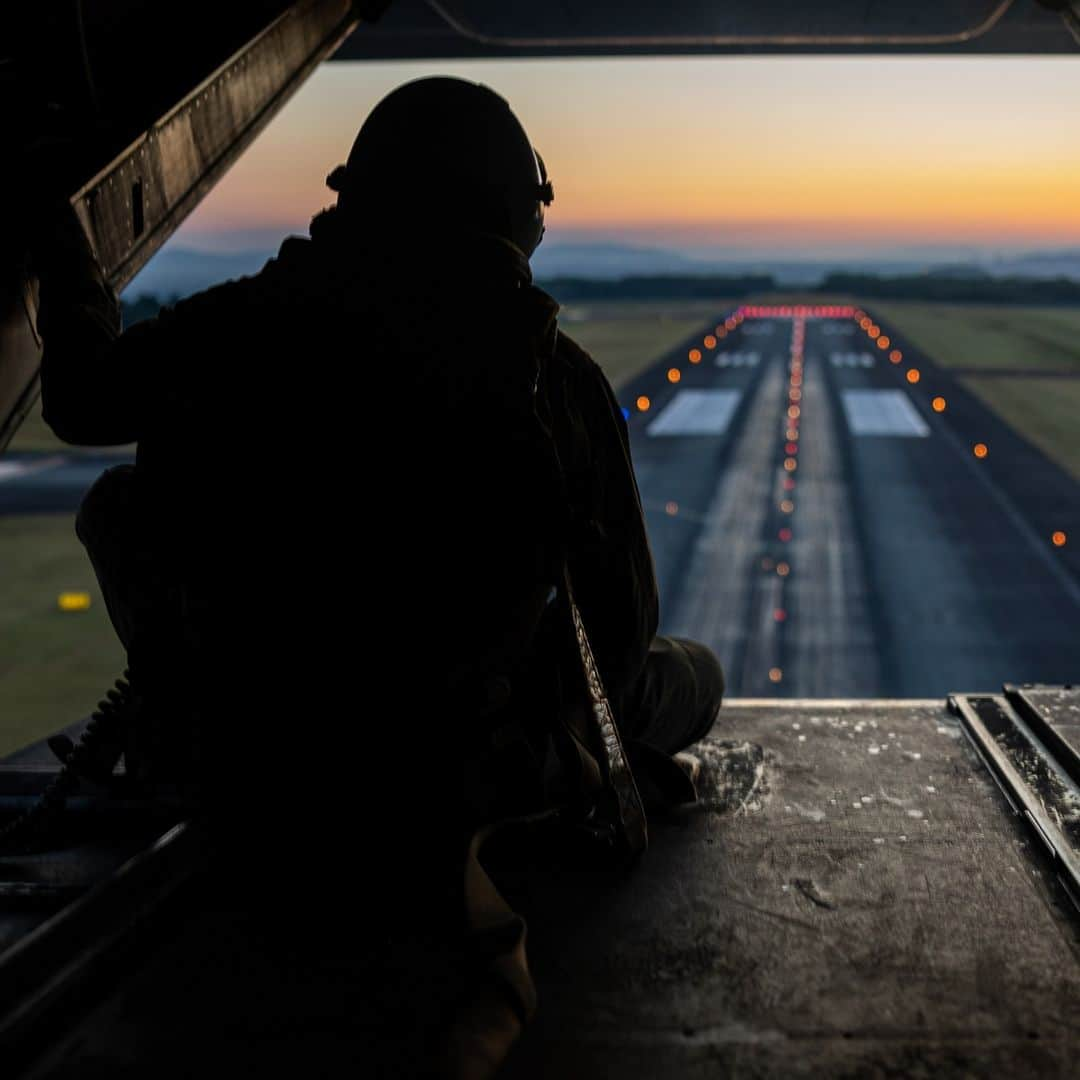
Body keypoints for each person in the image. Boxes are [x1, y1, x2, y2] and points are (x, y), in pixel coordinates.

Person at [32, 76, 724, 1075]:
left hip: (251, 747)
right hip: (463, 772)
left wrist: (72, 271)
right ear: (515, 214)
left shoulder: (237, 327)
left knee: (119, 504)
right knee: (689, 675)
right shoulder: (549, 373)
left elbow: (86, 399)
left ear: (355, 197)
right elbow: (617, 641)